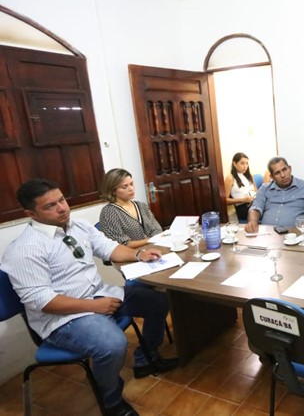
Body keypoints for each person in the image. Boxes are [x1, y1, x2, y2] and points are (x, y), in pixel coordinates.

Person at [1, 179, 180, 416]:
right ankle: (111, 401)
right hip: (64, 318)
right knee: (112, 344)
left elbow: (109, 248)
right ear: (31, 214)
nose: (62, 208)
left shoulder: (78, 226)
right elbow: (41, 301)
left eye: (62, 200)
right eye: (50, 206)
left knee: (157, 301)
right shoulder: (25, 249)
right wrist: (94, 306)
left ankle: (146, 359)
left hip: (100, 296)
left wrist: (139, 254)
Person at [244, 157, 304, 233]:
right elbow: (255, 208)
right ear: (272, 177)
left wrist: (302, 229)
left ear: (290, 168)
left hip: (294, 236)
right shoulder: (264, 189)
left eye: (284, 169)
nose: (283, 175)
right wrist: (252, 222)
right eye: (277, 173)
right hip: (267, 235)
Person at [99, 168, 162, 248]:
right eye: (124, 187)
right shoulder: (109, 212)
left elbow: (157, 230)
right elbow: (121, 244)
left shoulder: (141, 206)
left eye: (131, 184)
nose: (131, 189)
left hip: (154, 248)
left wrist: (157, 238)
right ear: (113, 191)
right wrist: (150, 240)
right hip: (131, 253)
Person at [224, 152, 257, 222]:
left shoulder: (249, 176)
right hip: (242, 207)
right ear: (234, 164)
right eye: (242, 163)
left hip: (254, 203)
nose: (245, 166)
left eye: (247, 163)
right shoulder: (230, 178)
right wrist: (243, 200)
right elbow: (224, 200)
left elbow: (256, 191)